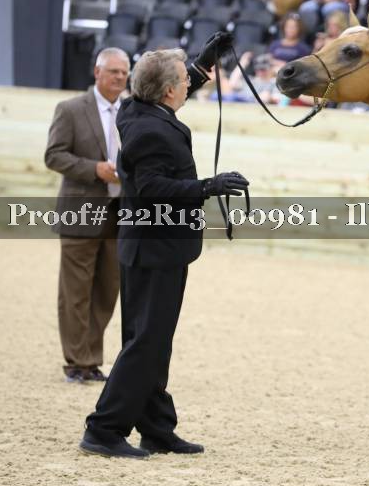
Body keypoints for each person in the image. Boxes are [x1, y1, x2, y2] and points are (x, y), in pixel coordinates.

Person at [80, 33, 251, 459]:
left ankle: (156, 428)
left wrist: (201, 64)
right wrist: (208, 186)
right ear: (169, 91)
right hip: (155, 249)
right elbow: (153, 188)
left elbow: (162, 87)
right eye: (184, 81)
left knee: (152, 341)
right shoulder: (152, 130)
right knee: (146, 343)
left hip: (149, 247)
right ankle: (103, 428)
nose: (188, 85)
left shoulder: (135, 108)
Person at [45, 47, 131, 384]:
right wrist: (94, 169)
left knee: (107, 291)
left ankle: (91, 359)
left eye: (124, 73)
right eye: (113, 71)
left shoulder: (131, 111)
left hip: (119, 214)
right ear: (97, 72)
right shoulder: (70, 109)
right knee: (75, 292)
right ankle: (76, 361)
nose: (120, 78)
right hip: (80, 212)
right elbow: (54, 155)